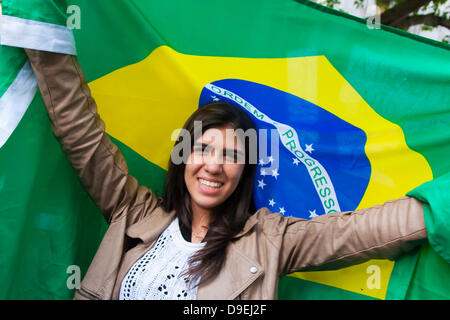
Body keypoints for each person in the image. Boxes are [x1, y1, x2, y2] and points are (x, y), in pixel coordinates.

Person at [25, 48, 428, 300]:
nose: (214, 165)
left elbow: (358, 232)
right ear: (183, 156)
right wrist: (43, 34)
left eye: (231, 155)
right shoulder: (132, 212)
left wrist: (437, 206)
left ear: (245, 171)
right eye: (202, 148)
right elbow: (81, 135)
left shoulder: (268, 240)